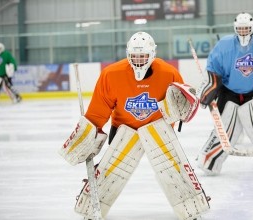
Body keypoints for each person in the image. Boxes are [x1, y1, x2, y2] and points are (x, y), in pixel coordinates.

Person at [59, 31, 210, 220]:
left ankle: (191, 208)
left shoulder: (169, 73)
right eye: (134, 55)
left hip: (157, 129)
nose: (138, 60)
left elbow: (179, 108)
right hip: (125, 130)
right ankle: (91, 208)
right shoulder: (111, 75)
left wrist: (181, 112)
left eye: (143, 55)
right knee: (109, 170)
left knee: (173, 168)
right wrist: (90, 134)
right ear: (127, 54)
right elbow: (99, 111)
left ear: (152, 54)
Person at [196, 12, 253, 175]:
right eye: (240, 29)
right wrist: (209, 88)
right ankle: (209, 162)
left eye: (246, 28)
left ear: (252, 28)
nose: (243, 32)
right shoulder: (224, 45)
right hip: (229, 92)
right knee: (224, 131)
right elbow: (213, 69)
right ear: (235, 29)